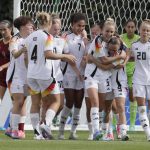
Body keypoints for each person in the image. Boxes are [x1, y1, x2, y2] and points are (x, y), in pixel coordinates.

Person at [25, 12, 76, 140]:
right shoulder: (48, 37)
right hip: (45, 74)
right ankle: (47, 124)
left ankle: (37, 134)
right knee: (57, 101)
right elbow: (48, 54)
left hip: (31, 74)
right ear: (49, 23)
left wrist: (31, 68)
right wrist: (65, 56)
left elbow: (26, 55)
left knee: (35, 103)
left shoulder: (30, 36)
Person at [85, 18, 126, 141]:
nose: (109, 34)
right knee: (95, 103)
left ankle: (106, 132)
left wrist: (124, 58)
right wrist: (119, 57)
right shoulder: (98, 41)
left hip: (105, 77)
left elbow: (127, 51)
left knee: (104, 108)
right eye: (107, 31)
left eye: (111, 32)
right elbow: (103, 62)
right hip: (91, 76)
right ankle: (96, 132)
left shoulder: (117, 41)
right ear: (102, 31)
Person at [58, 12, 86, 140]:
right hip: (69, 73)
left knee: (79, 103)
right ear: (72, 24)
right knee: (69, 102)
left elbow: (87, 55)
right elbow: (67, 58)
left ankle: (73, 132)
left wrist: (86, 39)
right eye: (79, 25)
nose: (81, 28)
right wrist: (78, 73)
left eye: (83, 26)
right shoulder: (65, 36)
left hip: (81, 74)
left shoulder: (84, 38)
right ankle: (61, 132)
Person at [6, 16, 34, 139]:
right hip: (15, 76)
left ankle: (13, 128)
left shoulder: (32, 39)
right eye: (29, 25)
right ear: (22, 27)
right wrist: (23, 49)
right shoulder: (15, 40)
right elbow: (15, 55)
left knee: (22, 103)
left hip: (27, 76)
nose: (32, 26)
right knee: (18, 102)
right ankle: (15, 130)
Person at [130, 19, 150, 141]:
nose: (145, 32)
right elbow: (129, 58)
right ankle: (148, 135)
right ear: (139, 30)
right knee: (142, 108)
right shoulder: (134, 45)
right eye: (143, 30)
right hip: (138, 80)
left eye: (148, 30)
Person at [120, 19, 140, 131]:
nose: (130, 29)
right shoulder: (121, 38)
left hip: (134, 72)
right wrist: (129, 56)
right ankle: (115, 124)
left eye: (133, 27)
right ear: (125, 27)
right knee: (119, 98)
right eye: (129, 26)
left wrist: (127, 57)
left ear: (136, 28)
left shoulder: (138, 39)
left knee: (133, 97)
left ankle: (132, 125)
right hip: (121, 71)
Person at [0, 20, 12, 104]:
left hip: (12, 76)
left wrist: (3, 66)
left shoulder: (15, 42)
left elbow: (15, 61)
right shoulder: (0, 42)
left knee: (15, 102)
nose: (2, 32)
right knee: (1, 100)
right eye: (1, 30)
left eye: (5, 29)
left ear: (10, 29)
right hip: (1, 76)